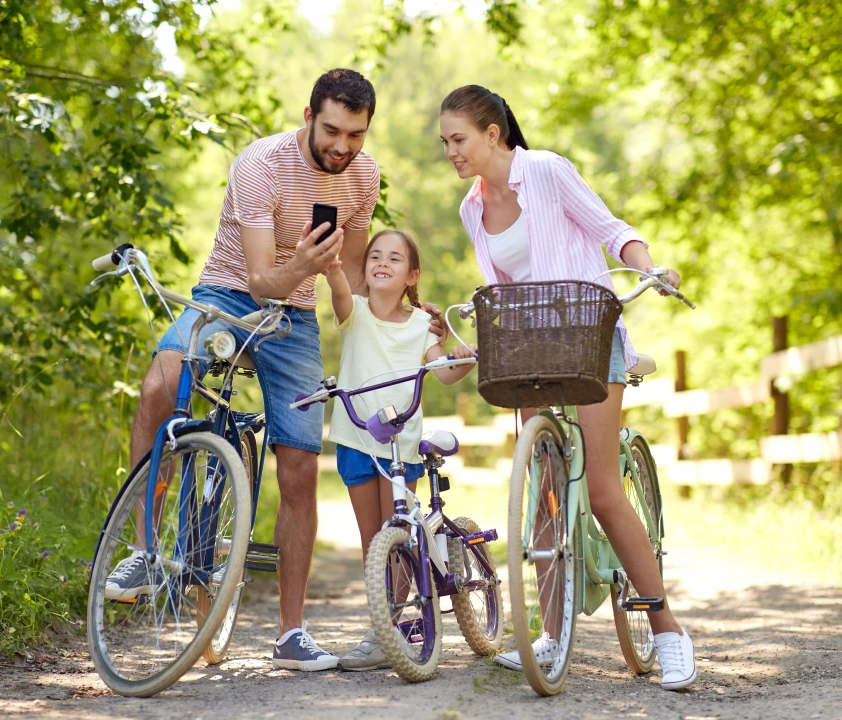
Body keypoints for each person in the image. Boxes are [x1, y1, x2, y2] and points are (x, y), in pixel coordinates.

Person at [104, 68, 383, 672]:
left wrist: (400, 309)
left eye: (355, 134)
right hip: (226, 295)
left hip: (294, 319)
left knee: (301, 467)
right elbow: (259, 280)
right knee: (160, 383)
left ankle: (290, 634)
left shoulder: (364, 175)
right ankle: (145, 552)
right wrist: (304, 262)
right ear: (309, 117)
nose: (342, 146)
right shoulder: (261, 163)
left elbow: (358, 275)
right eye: (332, 130)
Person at [439, 85, 697, 691]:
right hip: (528, 345)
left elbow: (612, 231)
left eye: (459, 139)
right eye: (445, 142)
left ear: (493, 135)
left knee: (602, 490)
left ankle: (668, 631)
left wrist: (649, 267)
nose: (451, 151)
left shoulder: (546, 171)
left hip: (589, 333)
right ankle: (553, 632)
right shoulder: (472, 208)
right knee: (544, 493)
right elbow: (504, 286)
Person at [323, 229, 475, 671]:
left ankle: (385, 631)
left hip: (399, 448)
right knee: (373, 543)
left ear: (412, 275)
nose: (382, 263)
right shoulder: (355, 312)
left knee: (400, 539)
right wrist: (333, 267)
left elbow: (445, 373)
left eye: (394, 258)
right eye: (375, 256)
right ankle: (385, 623)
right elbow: (338, 289)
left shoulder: (421, 326)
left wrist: (462, 354)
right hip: (356, 439)